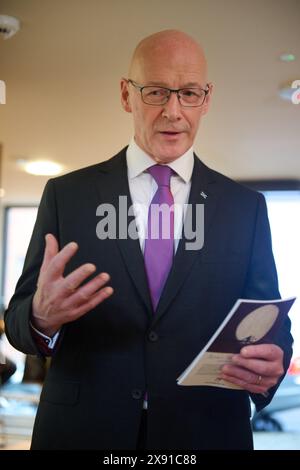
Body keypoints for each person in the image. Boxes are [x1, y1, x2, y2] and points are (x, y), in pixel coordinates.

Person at [4, 30, 293, 450]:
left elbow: (268, 321)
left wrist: (275, 359)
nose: (173, 112)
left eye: (189, 93)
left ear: (207, 98)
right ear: (127, 95)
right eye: (156, 91)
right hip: (84, 433)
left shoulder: (245, 208)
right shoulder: (67, 196)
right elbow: (18, 321)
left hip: (206, 432)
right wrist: (41, 317)